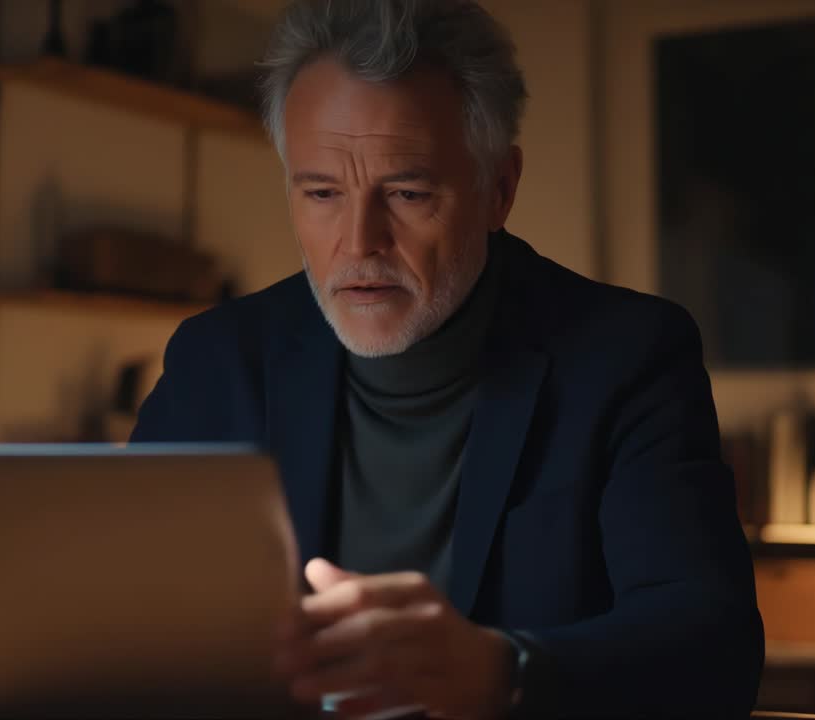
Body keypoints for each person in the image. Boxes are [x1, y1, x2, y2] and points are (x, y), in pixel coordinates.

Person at [131, 0, 764, 716]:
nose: (359, 241)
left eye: (406, 192)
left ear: (499, 189)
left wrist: (505, 673)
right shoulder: (217, 362)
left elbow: (714, 651)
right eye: (322, 194)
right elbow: (112, 612)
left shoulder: (628, 359)